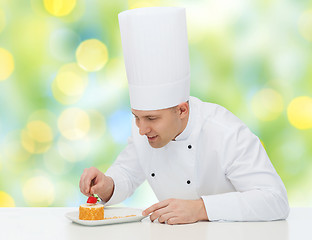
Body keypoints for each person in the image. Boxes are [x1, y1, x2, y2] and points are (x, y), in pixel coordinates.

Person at [79, 7, 289, 224]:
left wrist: (200, 209)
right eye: (136, 117)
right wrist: (107, 185)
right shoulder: (143, 129)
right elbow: (128, 172)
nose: (141, 129)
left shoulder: (225, 132)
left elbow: (275, 200)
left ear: (181, 110)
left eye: (151, 118)